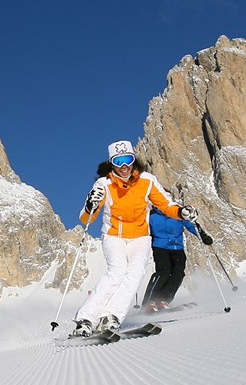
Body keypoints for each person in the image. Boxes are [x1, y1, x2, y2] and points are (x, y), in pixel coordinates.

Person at [72, 140, 197, 338]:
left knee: (135, 273)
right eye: (118, 161)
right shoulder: (104, 183)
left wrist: (181, 212)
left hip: (140, 237)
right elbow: (87, 218)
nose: (123, 166)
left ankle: (111, 316)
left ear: (133, 161)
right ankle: (85, 319)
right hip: (114, 236)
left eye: (127, 160)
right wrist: (90, 205)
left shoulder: (147, 181)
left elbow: (165, 205)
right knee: (117, 272)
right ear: (111, 163)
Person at [141, 206, 213, 311]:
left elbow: (191, 225)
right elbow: (142, 228)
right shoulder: (151, 216)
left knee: (178, 273)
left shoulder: (178, 213)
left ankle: (163, 300)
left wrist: (203, 236)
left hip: (177, 248)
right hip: (160, 247)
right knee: (163, 272)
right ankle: (148, 302)